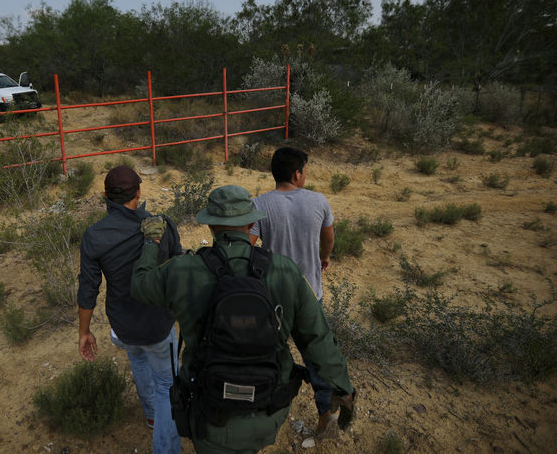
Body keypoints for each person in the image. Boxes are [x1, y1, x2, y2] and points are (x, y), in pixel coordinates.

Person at [132, 185, 355, 454]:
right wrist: (343, 388)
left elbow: (140, 284)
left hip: (208, 408)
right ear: (251, 223)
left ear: (211, 226)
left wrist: (151, 242)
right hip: (269, 408)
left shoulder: (183, 270)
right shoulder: (284, 270)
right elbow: (317, 338)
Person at [77, 165, 183, 454]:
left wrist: (84, 332)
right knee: (167, 385)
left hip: (122, 324)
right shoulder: (162, 225)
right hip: (157, 324)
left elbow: (88, 289)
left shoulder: (93, 236)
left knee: (137, 360)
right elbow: (179, 270)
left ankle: (151, 415)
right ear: (139, 192)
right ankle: (166, 448)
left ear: (105, 196)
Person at [248, 147, 338, 433]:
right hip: (310, 294)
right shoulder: (318, 200)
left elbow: (247, 245)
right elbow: (328, 238)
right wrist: (324, 257)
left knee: (269, 353)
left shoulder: (259, 204)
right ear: (297, 173)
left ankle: (264, 410)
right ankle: (326, 412)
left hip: (273, 298)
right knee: (316, 354)